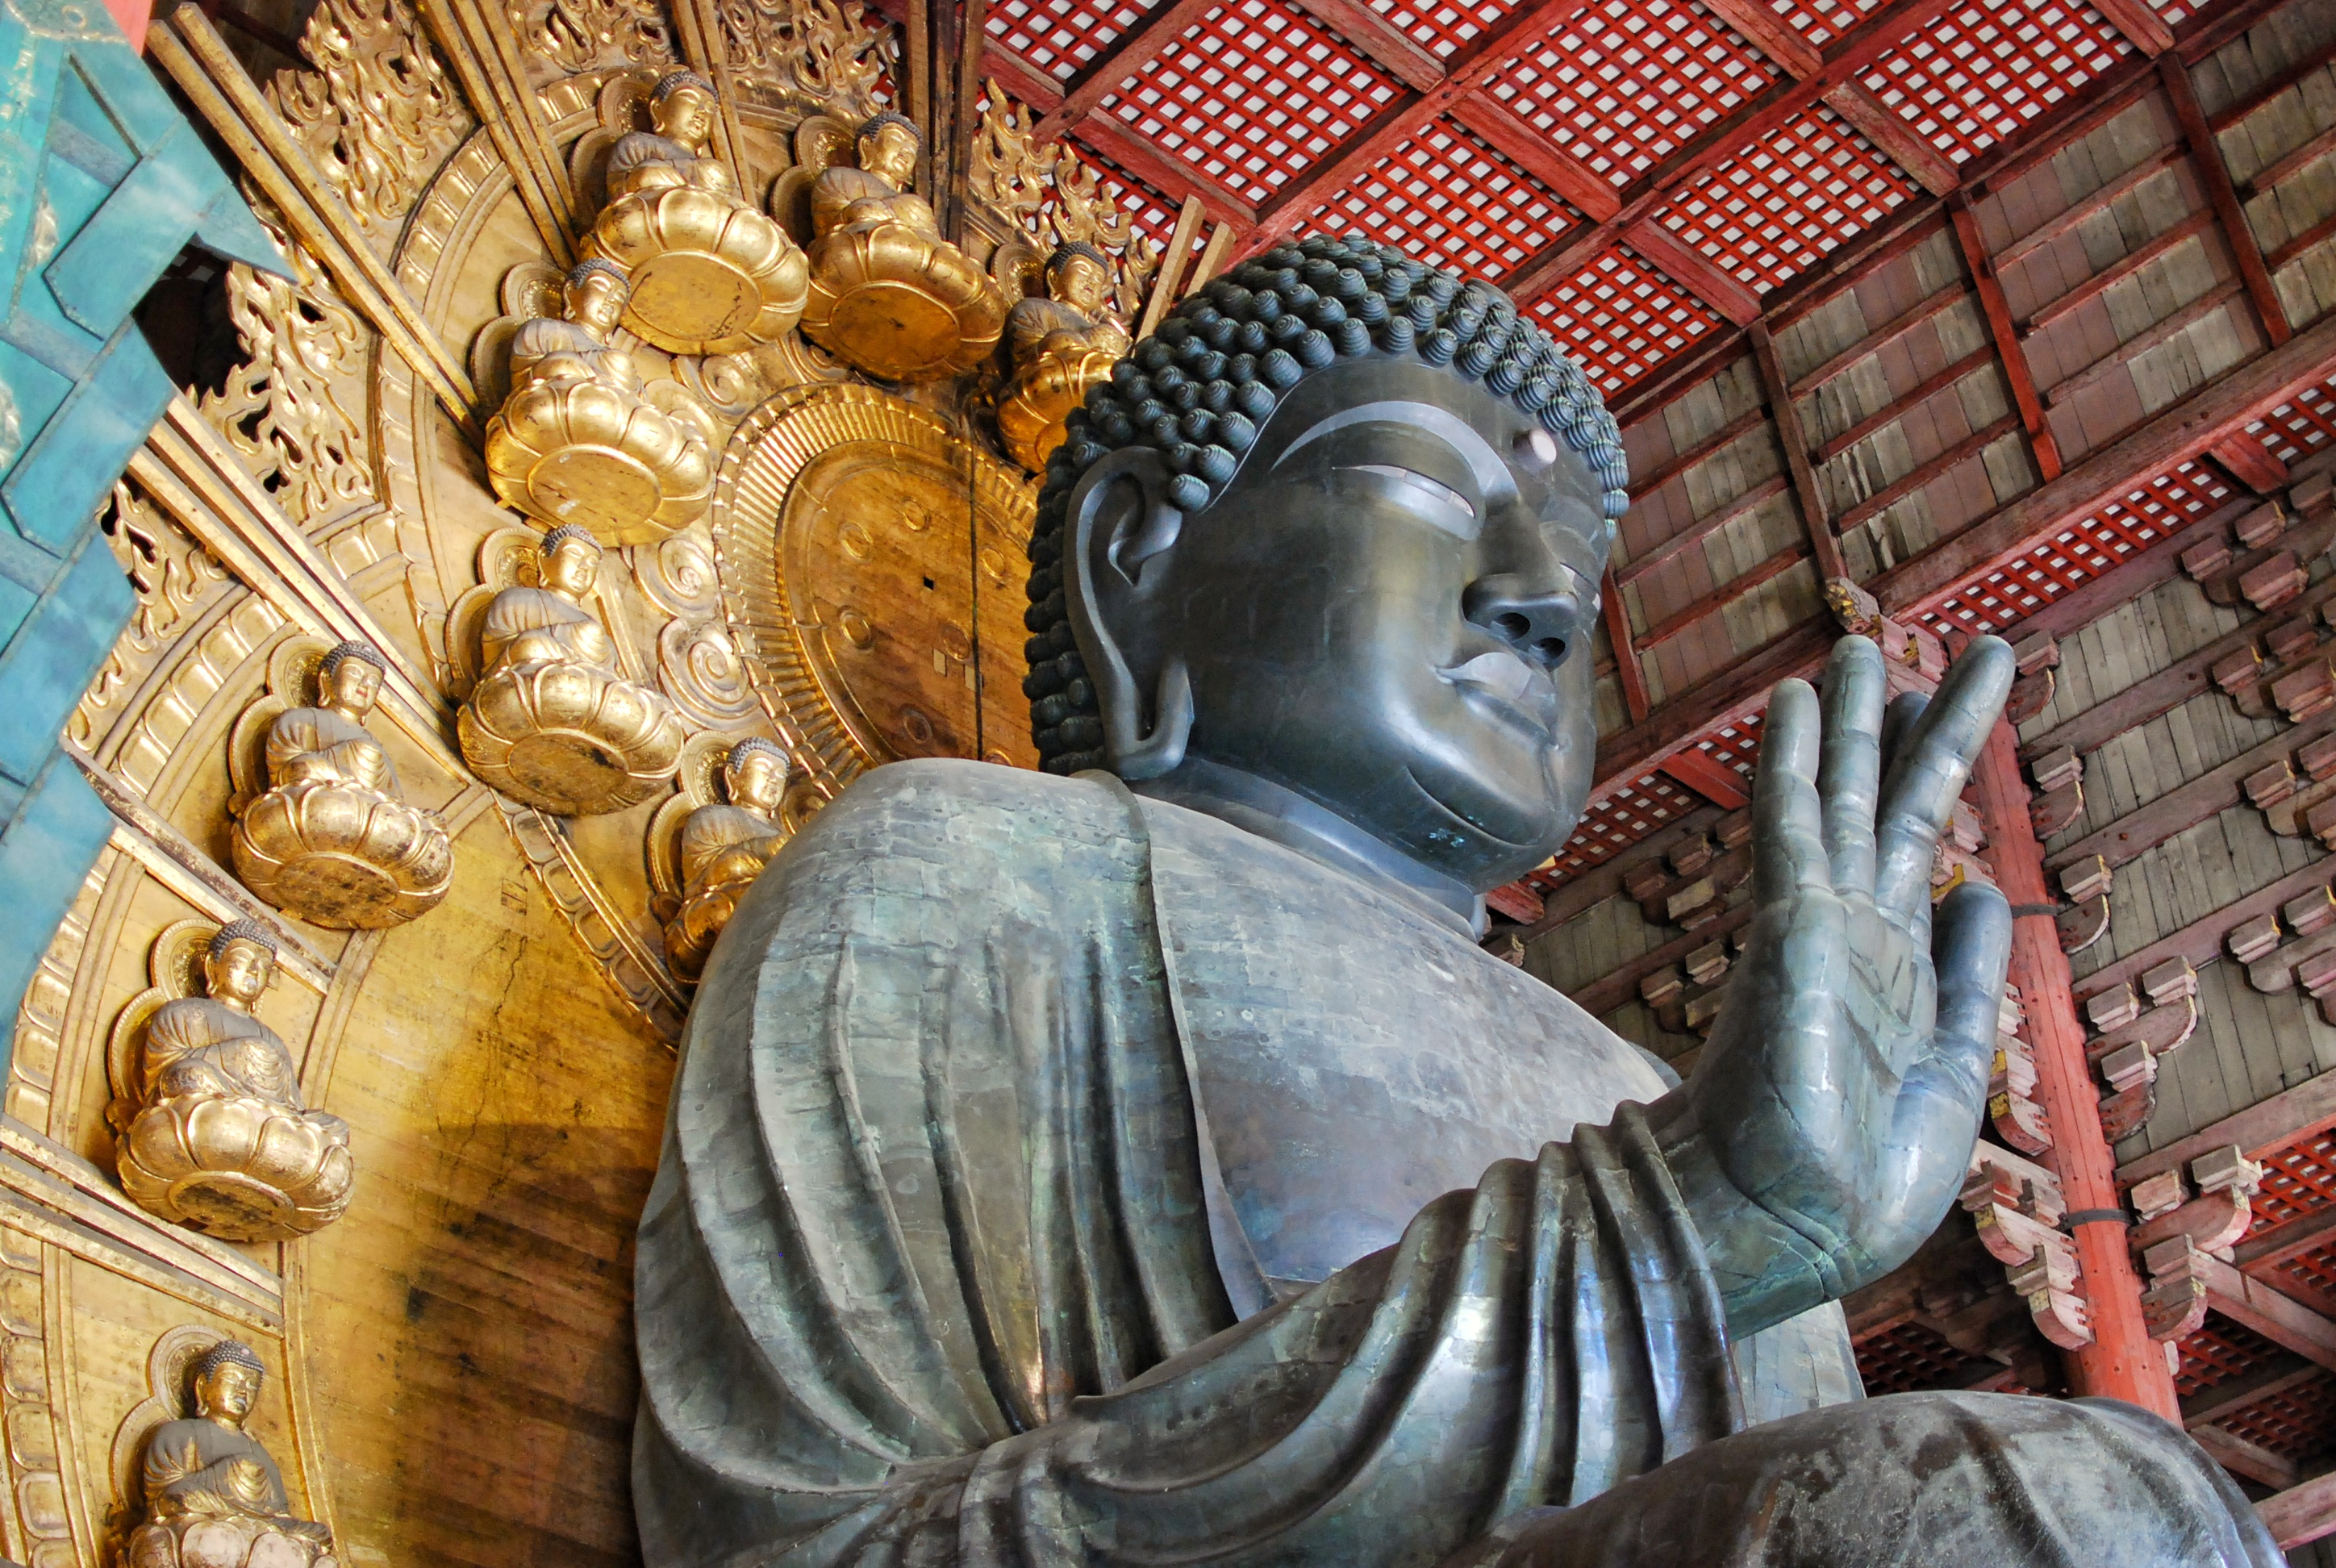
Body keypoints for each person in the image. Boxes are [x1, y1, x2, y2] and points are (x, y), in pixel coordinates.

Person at [631, 236, 2281, 1568]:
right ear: (1136, 554)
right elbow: (802, 1546)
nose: (1543, 600)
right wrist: (1680, 1230)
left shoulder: (1642, 1093)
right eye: (1426, 490)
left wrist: (1727, 1229)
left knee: (2087, 1502)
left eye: (1572, 558)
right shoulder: (970, 870)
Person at [130, 1339, 335, 1568]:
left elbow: (279, 1516)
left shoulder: (257, 1450)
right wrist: (232, 1472)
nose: (242, 1391)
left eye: (251, 1386)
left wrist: (261, 1519)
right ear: (202, 1387)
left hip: (254, 1533)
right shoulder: (180, 1432)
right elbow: (166, 1497)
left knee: (318, 1534)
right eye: (231, 1380)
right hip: (203, 1528)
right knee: (201, 1527)